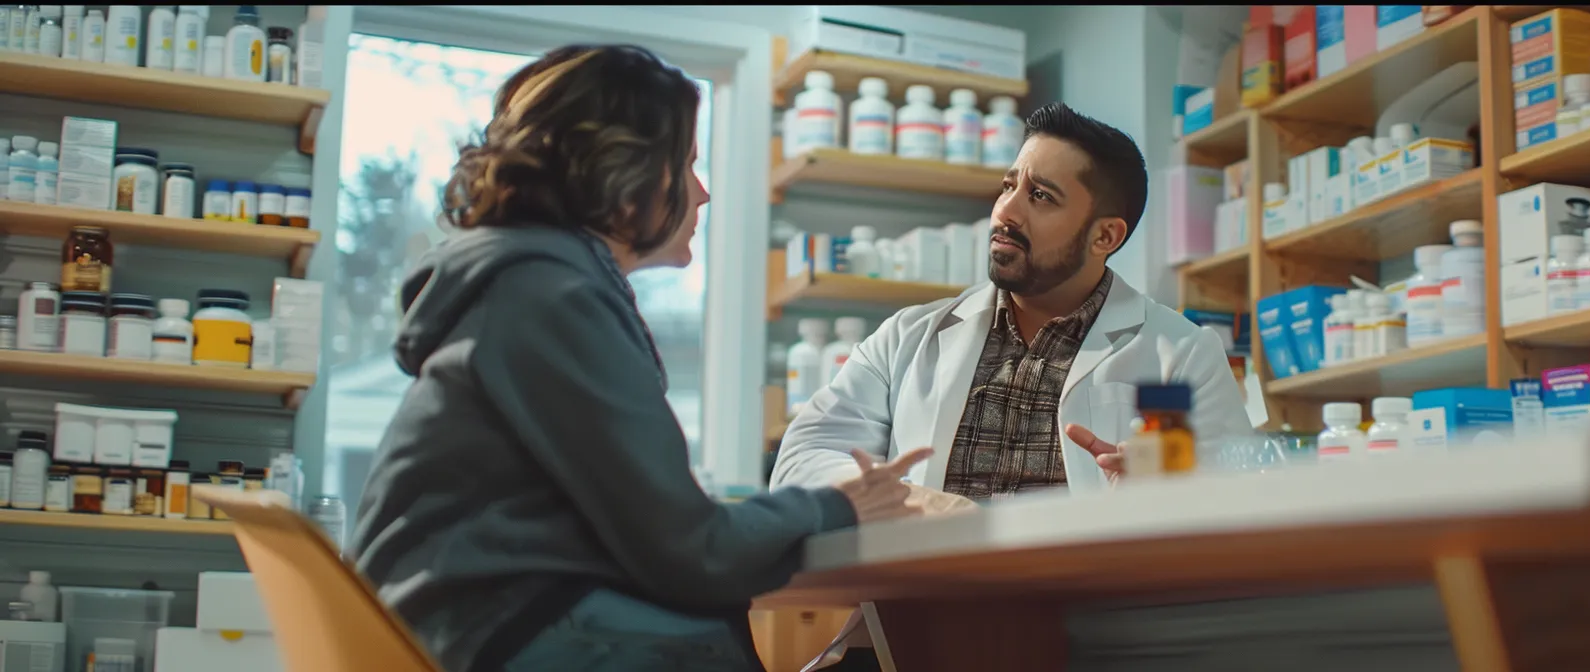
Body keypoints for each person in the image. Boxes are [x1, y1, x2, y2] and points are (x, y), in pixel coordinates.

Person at [348, 45, 928, 672]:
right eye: (686, 167)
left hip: (460, 623)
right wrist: (841, 504)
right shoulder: (551, 297)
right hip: (497, 633)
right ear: (621, 176)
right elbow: (688, 549)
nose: (702, 195)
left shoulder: (528, 285)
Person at [772, 101, 1252, 670]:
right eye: (1008, 186)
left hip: (1080, 643)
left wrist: (1158, 501)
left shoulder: (1182, 352)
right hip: (909, 635)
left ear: (1105, 235)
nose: (1006, 211)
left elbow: (1235, 516)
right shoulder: (909, 336)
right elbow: (802, 460)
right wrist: (922, 505)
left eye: (1040, 196)